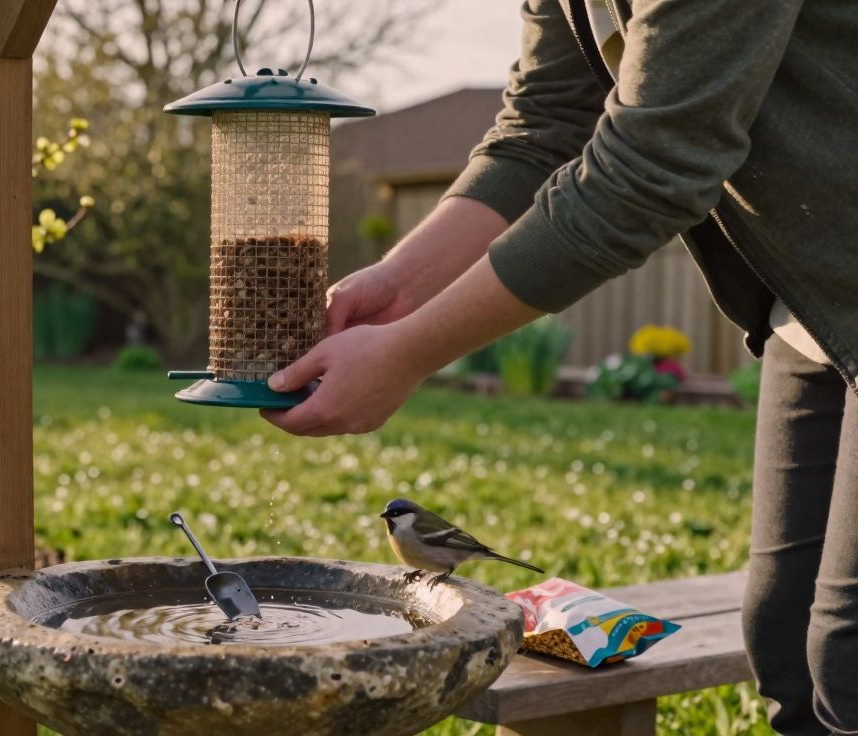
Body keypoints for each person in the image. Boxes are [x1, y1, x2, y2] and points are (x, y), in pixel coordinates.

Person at [258, 1, 858, 733]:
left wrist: (408, 352)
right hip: (815, 312)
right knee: (786, 641)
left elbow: (651, 164)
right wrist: (400, 286)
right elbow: (544, 124)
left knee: (848, 658)